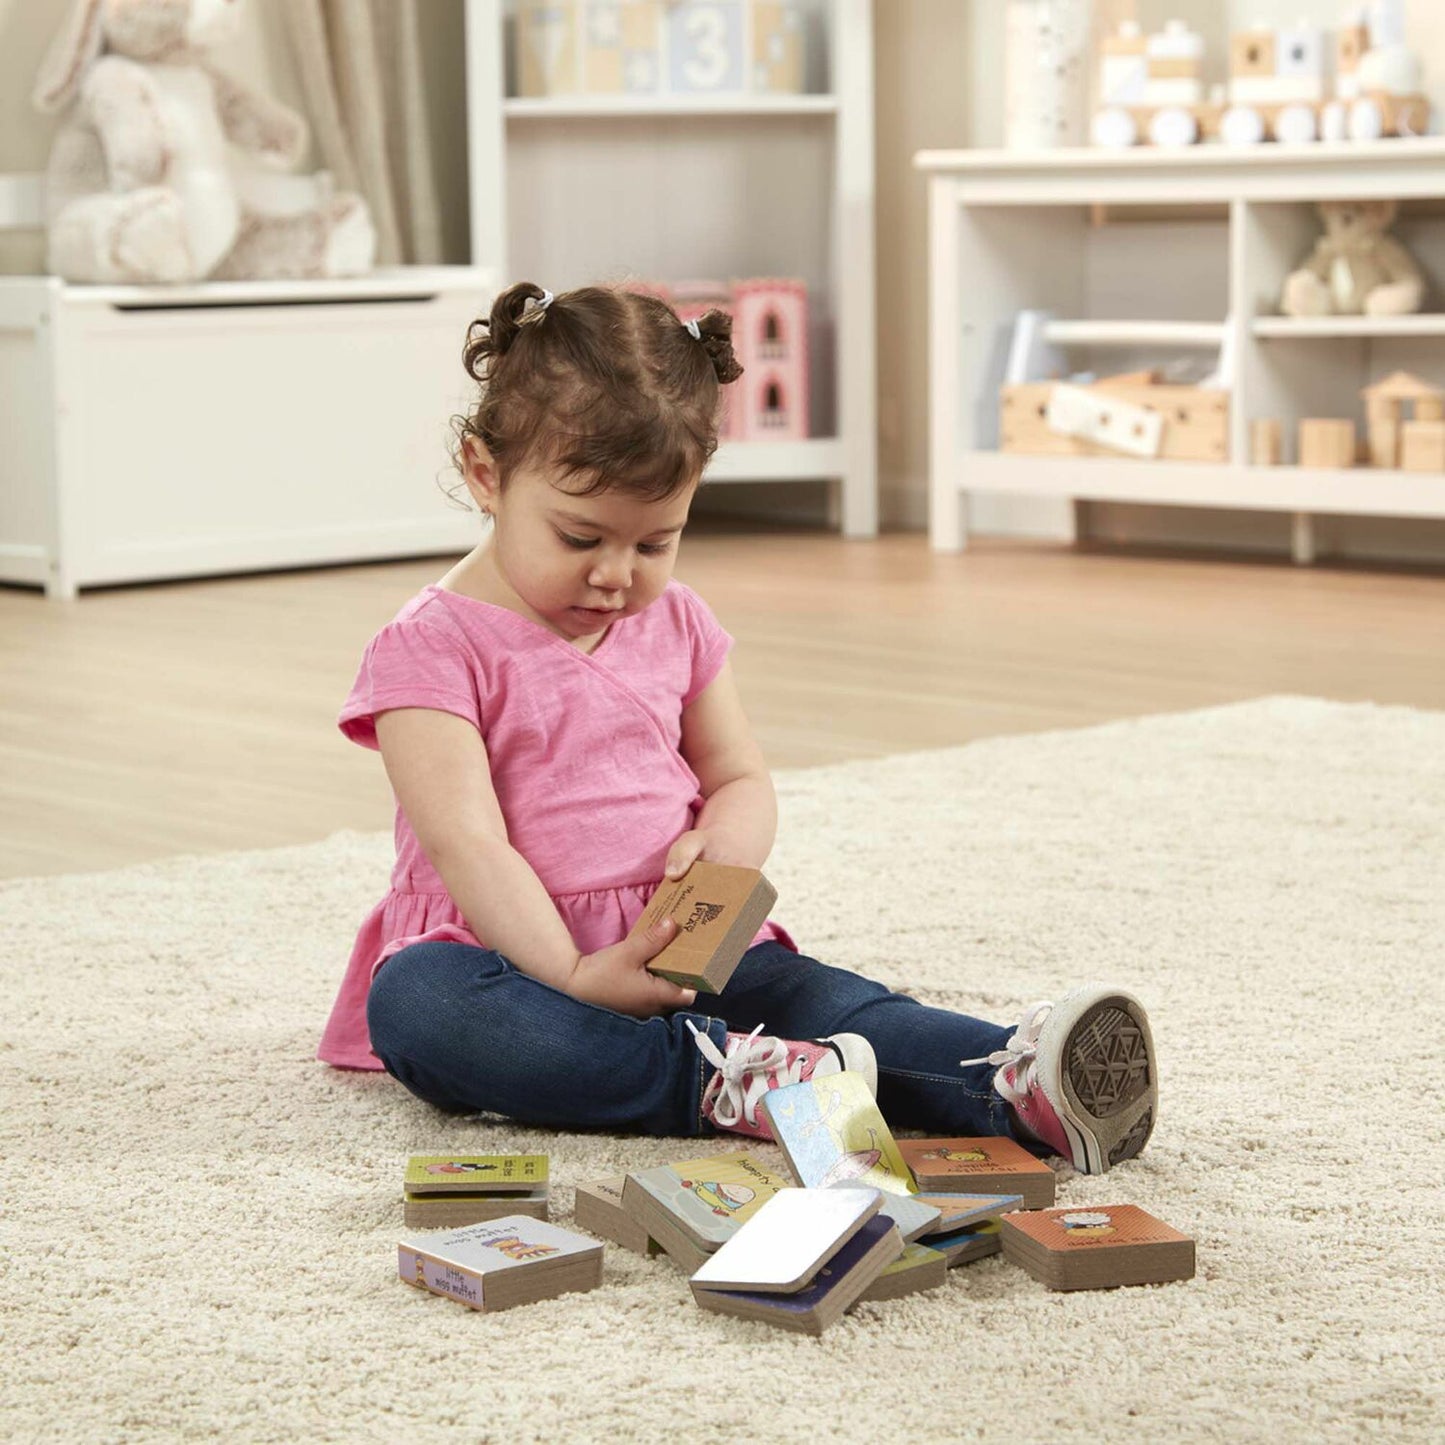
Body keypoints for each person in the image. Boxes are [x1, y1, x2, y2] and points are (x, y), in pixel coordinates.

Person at [317, 281, 1158, 1175]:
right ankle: (717, 1082)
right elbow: (468, 845)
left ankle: (1007, 1078)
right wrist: (571, 975)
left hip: (684, 951)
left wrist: (724, 849)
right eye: (579, 536)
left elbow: (739, 777)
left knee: (827, 997)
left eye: (653, 542)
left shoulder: (675, 621)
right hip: (515, 963)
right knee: (417, 1003)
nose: (615, 574)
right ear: (486, 474)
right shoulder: (429, 648)